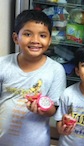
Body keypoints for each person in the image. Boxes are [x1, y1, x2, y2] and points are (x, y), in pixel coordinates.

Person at [0, 10, 66, 145]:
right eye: (27, 34)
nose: (35, 40)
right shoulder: (2, 64)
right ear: (15, 38)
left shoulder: (55, 70)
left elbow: (54, 110)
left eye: (42, 35)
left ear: (49, 40)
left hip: (36, 142)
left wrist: (44, 109)